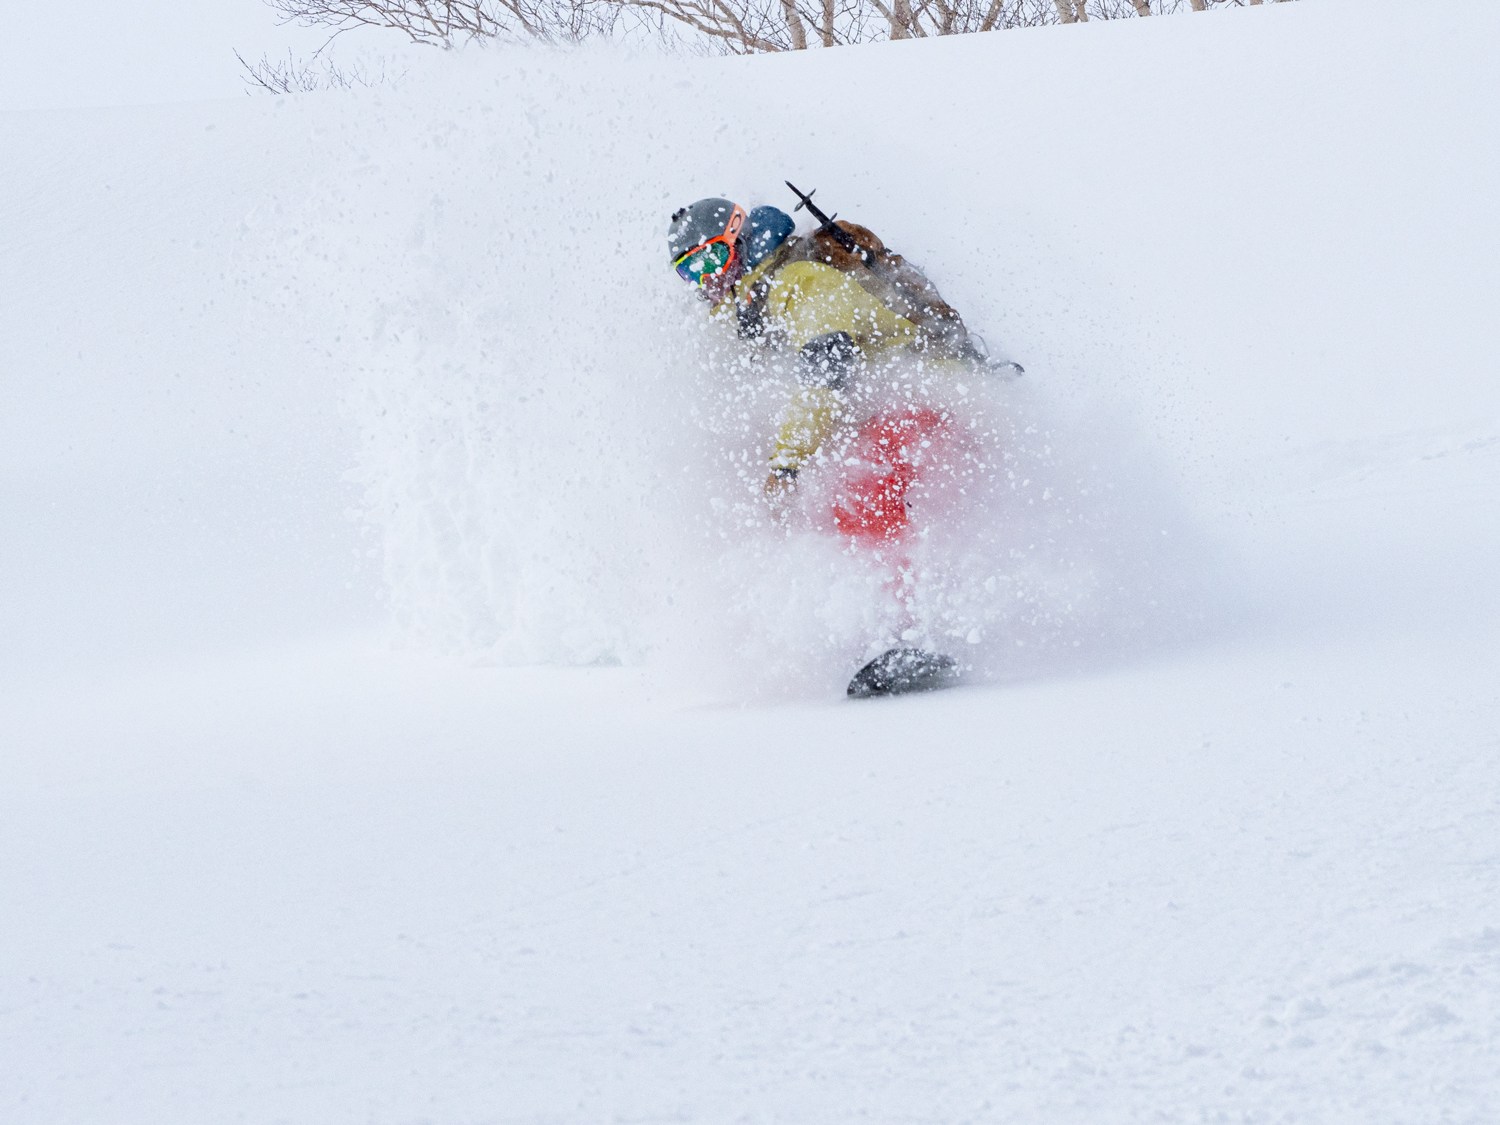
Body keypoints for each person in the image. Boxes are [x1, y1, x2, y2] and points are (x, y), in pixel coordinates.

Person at [668, 193, 1009, 696]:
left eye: (713, 258)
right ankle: (857, 632)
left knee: (861, 483)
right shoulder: (750, 311)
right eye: (690, 271)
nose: (708, 278)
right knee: (820, 495)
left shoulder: (798, 282)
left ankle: (905, 636)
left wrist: (785, 466)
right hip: (899, 409)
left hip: (945, 399)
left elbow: (830, 366)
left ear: (739, 240)